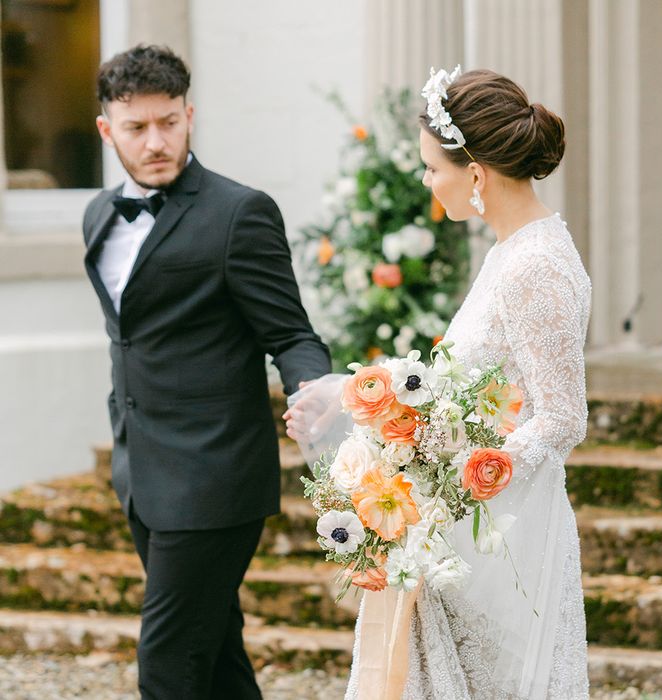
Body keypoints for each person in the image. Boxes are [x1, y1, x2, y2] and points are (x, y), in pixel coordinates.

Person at [288, 66, 591, 699]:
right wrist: (357, 399)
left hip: (499, 534)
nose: (427, 181)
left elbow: (561, 417)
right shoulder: (509, 252)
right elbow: (465, 383)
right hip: (466, 532)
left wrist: (453, 483)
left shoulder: (535, 266)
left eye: (432, 167)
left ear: (475, 175)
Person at [82, 44, 330, 699]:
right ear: (108, 130)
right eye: (137, 127)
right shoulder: (98, 216)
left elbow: (291, 333)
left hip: (215, 475)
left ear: (189, 116)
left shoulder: (238, 213)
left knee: (166, 664)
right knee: (214, 653)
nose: (156, 140)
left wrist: (316, 392)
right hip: (142, 473)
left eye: (169, 121)